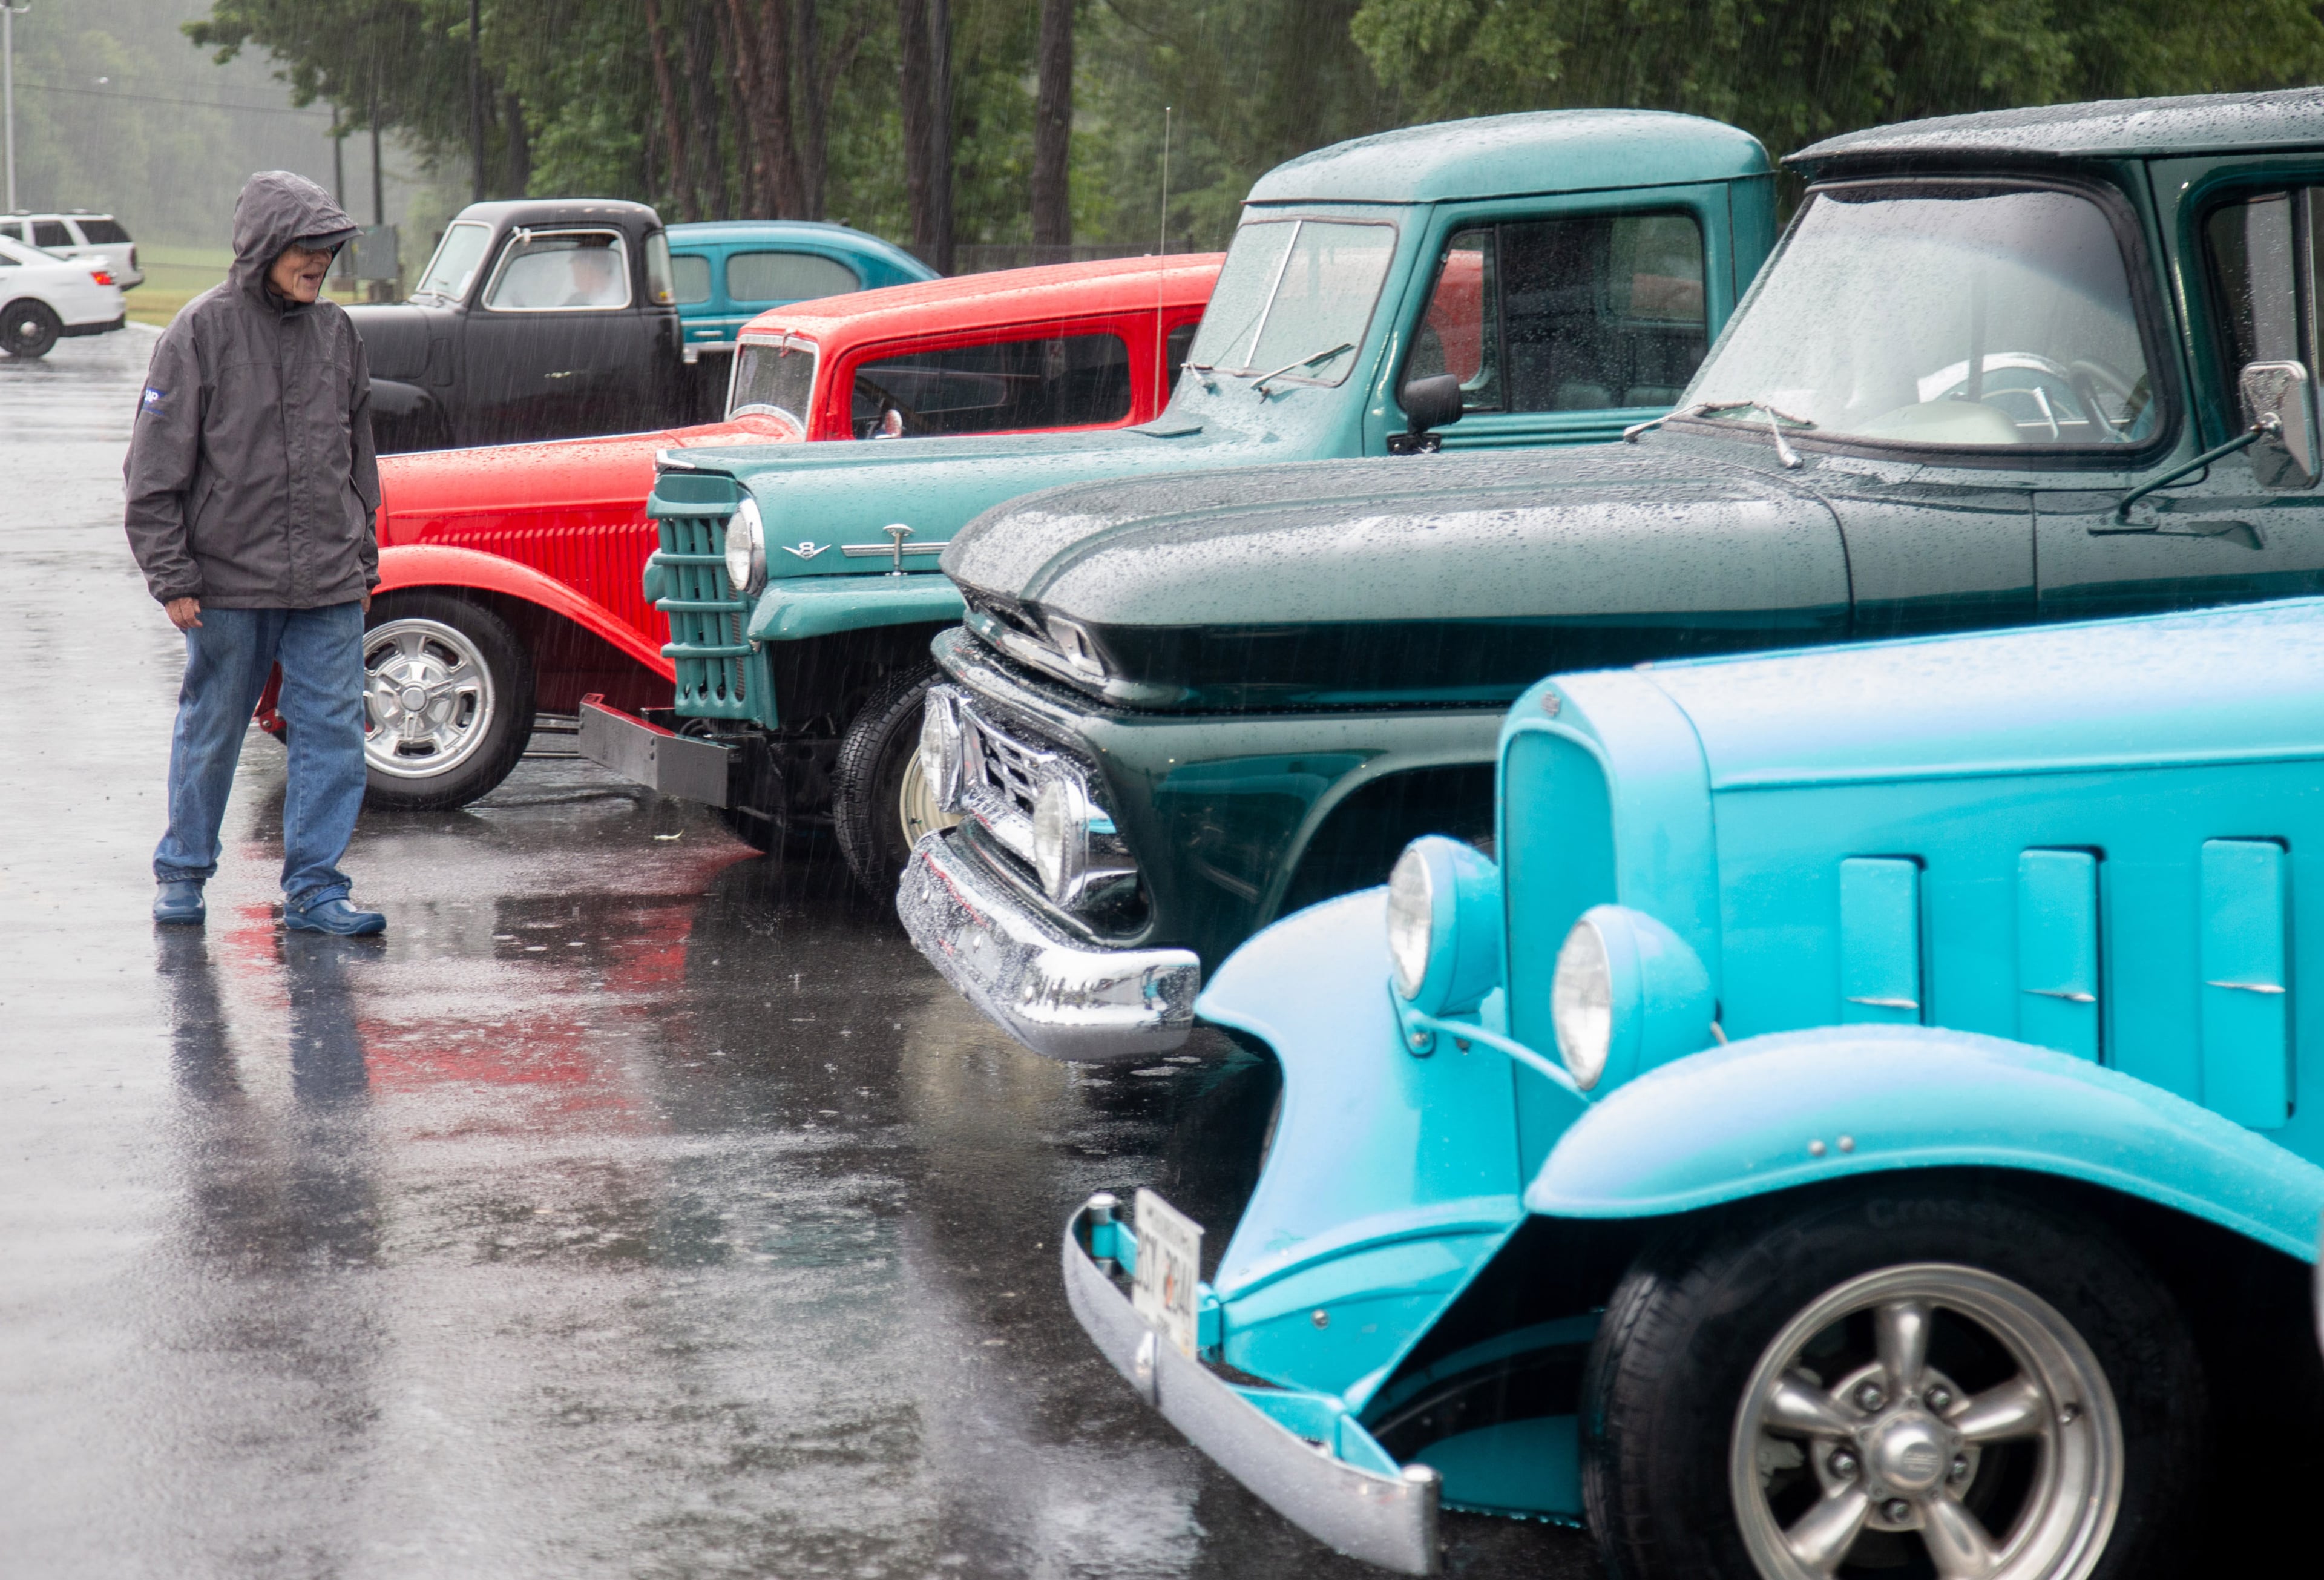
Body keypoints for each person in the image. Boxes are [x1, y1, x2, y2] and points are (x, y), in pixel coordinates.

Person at [125, 170, 386, 935]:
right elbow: (154, 469)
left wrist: (362, 561)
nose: (321, 263)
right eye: (308, 247)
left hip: (330, 582)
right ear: (266, 246)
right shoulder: (200, 331)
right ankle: (182, 872)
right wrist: (170, 573)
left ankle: (315, 890)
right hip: (226, 584)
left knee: (333, 732)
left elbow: (359, 458)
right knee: (215, 726)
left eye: (330, 250)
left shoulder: (339, 332)